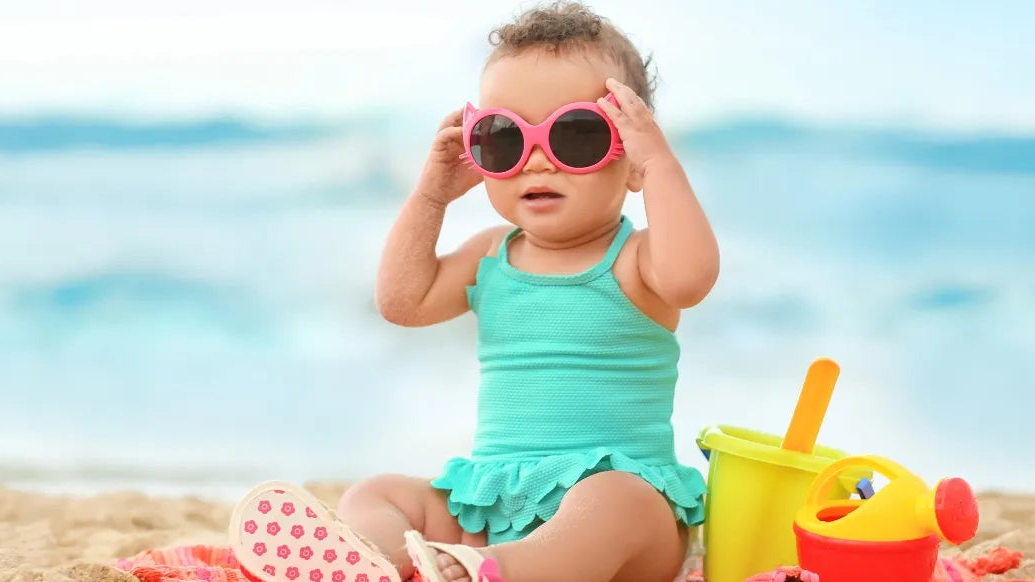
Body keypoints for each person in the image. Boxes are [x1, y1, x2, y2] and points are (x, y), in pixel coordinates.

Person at [228, 3, 720, 582]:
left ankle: (500, 570)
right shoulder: (490, 255)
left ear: (631, 158)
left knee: (616, 502)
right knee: (378, 494)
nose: (536, 158)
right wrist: (431, 197)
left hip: (615, 526)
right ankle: (375, 565)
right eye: (505, 139)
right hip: (493, 503)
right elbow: (402, 303)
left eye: (577, 133)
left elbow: (692, 278)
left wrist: (660, 163)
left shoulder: (639, 261)